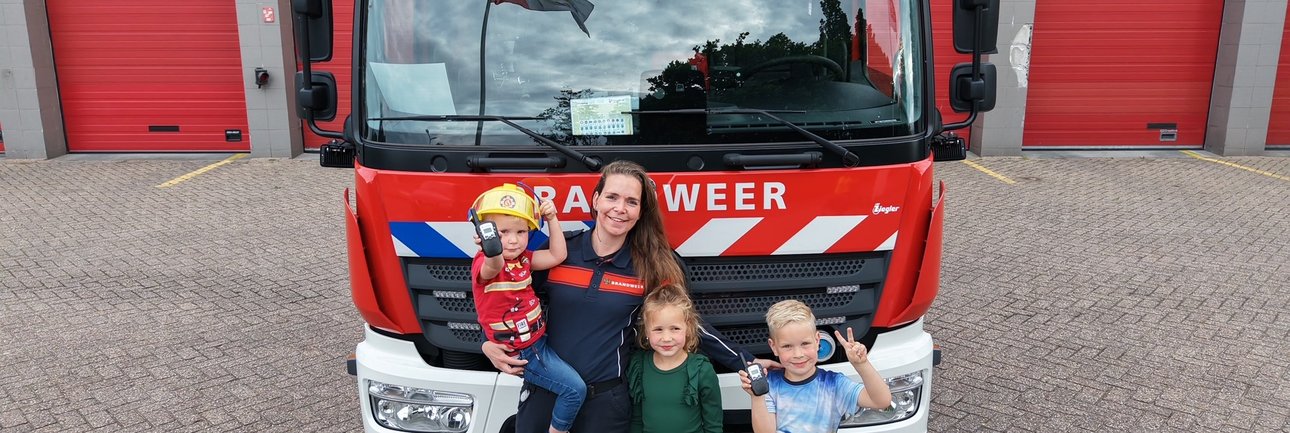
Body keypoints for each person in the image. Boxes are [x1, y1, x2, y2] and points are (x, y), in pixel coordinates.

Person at [482, 160, 779, 433]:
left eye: (631, 202)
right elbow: (497, 295)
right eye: (612, 197)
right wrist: (487, 344)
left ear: (640, 211)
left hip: (605, 404)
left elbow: (688, 324)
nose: (620, 208)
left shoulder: (650, 265)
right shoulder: (559, 251)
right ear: (596, 200)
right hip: (545, 395)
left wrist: (746, 360)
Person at [470, 183, 582, 433]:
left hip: (539, 343)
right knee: (575, 391)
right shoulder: (486, 263)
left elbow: (557, 255)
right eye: (502, 232)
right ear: (485, 232)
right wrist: (491, 249)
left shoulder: (523, 260)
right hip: (525, 353)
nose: (513, 240)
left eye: (521, 232)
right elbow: (493, 265)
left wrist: (552, 218)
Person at [740, 300, 892, 433]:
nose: (798, 354)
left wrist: (862, 364)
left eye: (805, 343)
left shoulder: (834, 384)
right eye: (787, 346)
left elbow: (882, 401)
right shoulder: (769, 384)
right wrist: (757, 396)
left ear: (817, 340)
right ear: (774, 347)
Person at [627, 285, 721, 433]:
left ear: (688, 328)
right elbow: (637, 420)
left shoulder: (701, 370)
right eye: (658, 329)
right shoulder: (639, 367)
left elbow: (713, 425)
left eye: (675, 329)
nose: (666, 338)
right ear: (646, 331)